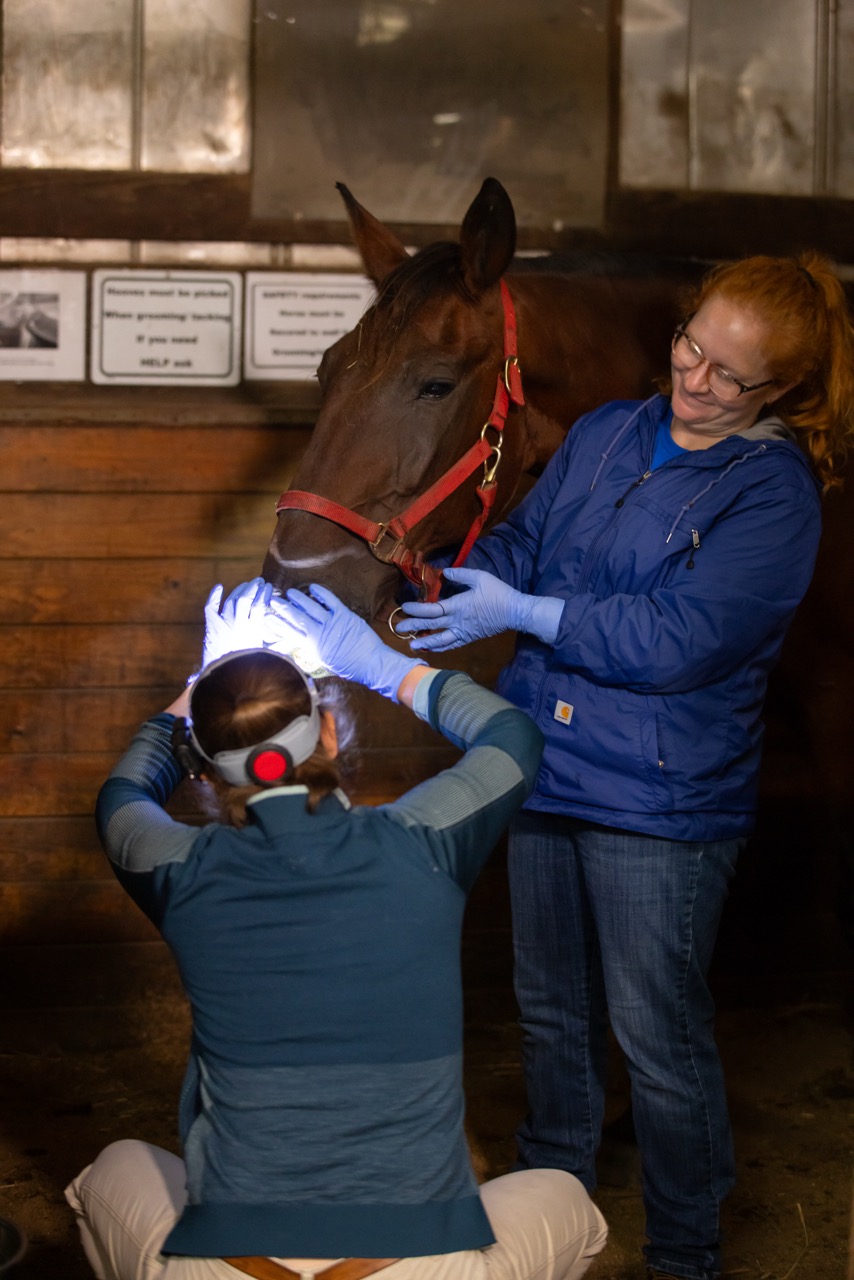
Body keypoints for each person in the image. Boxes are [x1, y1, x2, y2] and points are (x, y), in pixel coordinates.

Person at [394, 252, 854, 1280]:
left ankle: (685, 1246)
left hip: (660, 798)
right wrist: (465, 575)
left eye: (728, 376)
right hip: (544, 764)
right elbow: (524, 540)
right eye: (692, 347)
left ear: (775, 389)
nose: (694, 381)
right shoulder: (606, 431)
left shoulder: (772, 494)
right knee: (550, 1005)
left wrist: (522, 614)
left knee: (655, 1031)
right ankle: (551, 1201)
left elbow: (681, 638)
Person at [65, 578, 607, 1280]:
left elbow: (122, 797)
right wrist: (381, 665)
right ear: (327, 729)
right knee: (568, 1199)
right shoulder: (423, 841)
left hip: (230, 1268)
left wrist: (201, 687)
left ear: (202, 766)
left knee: (109, 1173)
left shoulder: (180, 868)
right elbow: (511, 738)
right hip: (417, 1267)